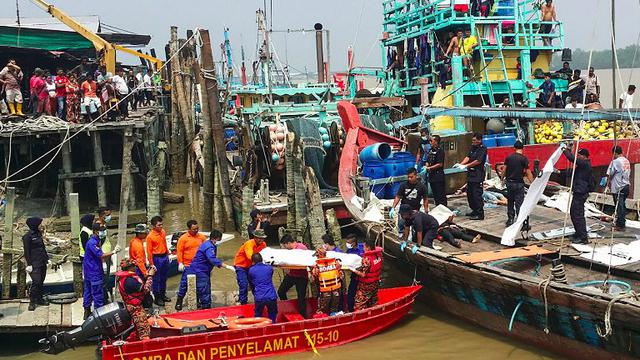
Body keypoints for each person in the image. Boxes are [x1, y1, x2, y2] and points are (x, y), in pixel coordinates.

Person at [188, 230, 234, 309]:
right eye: (218, 239)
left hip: (200, 268)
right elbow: (212, 259)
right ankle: (206, 307)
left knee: (200, 288)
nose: (219, 241)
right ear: (214, 239)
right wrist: (226, 266)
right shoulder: (209, 247)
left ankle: (200, 303)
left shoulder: (207, 244)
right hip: (201, 270)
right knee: (205, 289)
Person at [83, 223, 120, 319]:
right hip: (93, 271)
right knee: (97, 293)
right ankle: (98, 315)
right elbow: (100, 255)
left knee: (88, 291)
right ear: (95, 231)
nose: (103, 232)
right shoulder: (92, 243)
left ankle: (87, 311)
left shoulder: (96, 240)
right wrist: (114, 252)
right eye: (101, 231)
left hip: (89, 270)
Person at [116, 259, 155, 340]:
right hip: (136, 308)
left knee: (138, 328)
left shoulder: (124, 278)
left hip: (131, 306)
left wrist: (146, 276)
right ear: (130, 268)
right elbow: (146, 289)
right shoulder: (129, 281)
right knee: (144, 330)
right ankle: (145, 347)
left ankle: (137, 340)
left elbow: (139, 287)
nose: (135, 268)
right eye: (134, 266)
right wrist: (150, 276)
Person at [562, 146, 594, 244]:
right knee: (573, 213)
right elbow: (571, 173)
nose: (578, 157)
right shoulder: (581, 167)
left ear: (584, 156)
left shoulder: (585, 164)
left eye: (580, 155)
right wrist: (558, 172)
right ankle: (578, 233)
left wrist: (564, 150)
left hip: (581, 193)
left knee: (578, 215)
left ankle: (583, 237)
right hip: (577, 192)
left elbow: (572, 158)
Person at [175, 220, 207, 310]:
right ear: (189, 229)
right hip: (188, 264)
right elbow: (179, 251)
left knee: (199, 283)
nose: (196, 230)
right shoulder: (183, 238)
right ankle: (179, 300)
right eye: (194, 229)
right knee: (184, 283)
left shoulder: (202, 237)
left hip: (200, 265)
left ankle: (197, 300)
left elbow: (207, 248)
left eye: (197, 228)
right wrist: (180, 262)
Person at [456, 133, 488, 220]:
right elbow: (468, 157)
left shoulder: (483, 149)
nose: (473, 142)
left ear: (479, 140)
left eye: (474, 140)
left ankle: (480, 213)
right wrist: (460, 164)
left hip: (477, 175)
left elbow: (478, 161)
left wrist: (466, 166)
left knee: (476, 194)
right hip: (471, 174)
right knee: (470, 194)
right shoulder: (473, 147)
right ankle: (474, 210)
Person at [389, 167, 429, 234]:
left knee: (415, 229)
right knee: (401, 228)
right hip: (403, 210)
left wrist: (426, 210)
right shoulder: (403, 185)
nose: (409, 179)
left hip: (414, 211)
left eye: (411, 177)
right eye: (408, 177)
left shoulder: (422, 186)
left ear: (416, 176)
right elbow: (398, 197)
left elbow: (425, 199)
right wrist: (393, 208)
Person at [277, 234, 309, 317]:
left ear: (288, 243)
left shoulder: (301, 248)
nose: (285, 248)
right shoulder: (290, 250)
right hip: (292, 274)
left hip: (301, 276)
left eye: (285, 246)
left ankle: (303, 316)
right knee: (281, 291)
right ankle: (287, 307)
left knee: (301, 297)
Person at [504, 140, 534, 229]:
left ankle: (510, 219)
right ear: (522, 148)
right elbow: (528, 172)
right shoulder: (524, 159)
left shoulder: (509, 158)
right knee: (519, 203)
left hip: (509, 183)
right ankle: (522, 222)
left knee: (510, 201)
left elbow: (504, 170)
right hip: (519, 183)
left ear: (514, 148)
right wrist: (532, 183)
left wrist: (502, 179)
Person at [234, 229, 268, 305]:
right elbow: (250, 256)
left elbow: (266, 254)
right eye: (259, 238)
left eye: (262, 238)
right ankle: (243, 302)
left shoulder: (263, 244)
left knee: (255, 283)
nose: (261, 240)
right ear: (255, 237)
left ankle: (258, 300)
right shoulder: (249, 244)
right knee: (244, 284)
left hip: (252, 266)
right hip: (241, 266)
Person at [22, 217, 48, 311]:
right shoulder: (27, 237)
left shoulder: (38, 234)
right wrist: (29, 264)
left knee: (41, 281)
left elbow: (42, 247)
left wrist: (47, 259)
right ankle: (32, 301)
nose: (41, 225)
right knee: (36, 282)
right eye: (39, 223)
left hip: (42, 261)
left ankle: (39, 299)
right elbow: (26, 251)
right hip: (34, 262)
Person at [146, 215, 170, 306]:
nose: (161, 227)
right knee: (157, 279)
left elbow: (164, 243)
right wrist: (152, 264)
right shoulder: (150, 237)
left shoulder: (163, 232)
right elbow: (149, 251)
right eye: (159, 225)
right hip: (157, 258)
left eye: (161, 225)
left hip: (164, 256)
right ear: (153, 226)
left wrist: (167, 253)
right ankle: (157, 297)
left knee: (164, 277)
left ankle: (163, 294)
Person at [352, 239, 382, 311]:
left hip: (366, 285)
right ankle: (375, 312)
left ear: (368, 248)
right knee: (373, 300)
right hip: (376, 282)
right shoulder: (378, 255)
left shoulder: (367, 259)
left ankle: (361, 315)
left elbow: (363, 275)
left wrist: (353, 270)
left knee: (359, 303)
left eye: (364, 247)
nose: (363, 248)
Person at [311, 247, 343, 315]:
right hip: (336, 290)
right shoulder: (335, 262)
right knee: (334, 309)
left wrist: (309, 270)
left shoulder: (317, 265)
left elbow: (313, 279)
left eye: (316, 255)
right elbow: (341, 275)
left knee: (322, 310)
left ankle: (323, 322)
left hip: (325, 291)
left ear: (319, 255)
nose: (316, 257)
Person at [606, 146, 631, 231]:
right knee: (622, 205)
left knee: (619, 206)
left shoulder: (615, 162)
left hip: (618, 187)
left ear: (615, 153)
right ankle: (621, 222)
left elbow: (609, 173)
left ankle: (621, 225)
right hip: (626, 186)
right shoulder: (626, 161)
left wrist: (607, 184)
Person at [249, 253, 278, 323]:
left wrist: (255, 293)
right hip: (271, 296)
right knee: (273, 314)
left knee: (258, 315)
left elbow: (251, 283)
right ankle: (273, 326)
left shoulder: (251, 270)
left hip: (259, 297)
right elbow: (269, 277)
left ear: (253, 262)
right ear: (262, 260)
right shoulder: (269, 268)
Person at [95, 207, 114, 302]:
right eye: (107, 215)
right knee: (103, 277)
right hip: (103, 254)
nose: (109, 217)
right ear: (101, 215)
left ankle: (105, 295)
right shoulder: (98, 226)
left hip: (107, 253)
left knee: (107, 276)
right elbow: (98, 242)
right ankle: (103, 298)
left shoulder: (104, 225)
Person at [425, 135, 447, 206]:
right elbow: (428, 160)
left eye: (431, 141)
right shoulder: (430, 151)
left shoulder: (440, 151)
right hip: (432, 176)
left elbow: (440, 164)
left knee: (440, 195)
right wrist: (427, 165)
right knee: (435, 195)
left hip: (438, 176)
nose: (430, 142)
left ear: (436, 142)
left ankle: (444, 209)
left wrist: (430, 168)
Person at [344, 234, 364, 312]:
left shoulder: (362, 247)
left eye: (349, 243)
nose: (347, 244)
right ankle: (351, 310)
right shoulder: (349, 251)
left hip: (363, 274)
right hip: (355, 274)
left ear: (354, 243)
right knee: (351, 293)